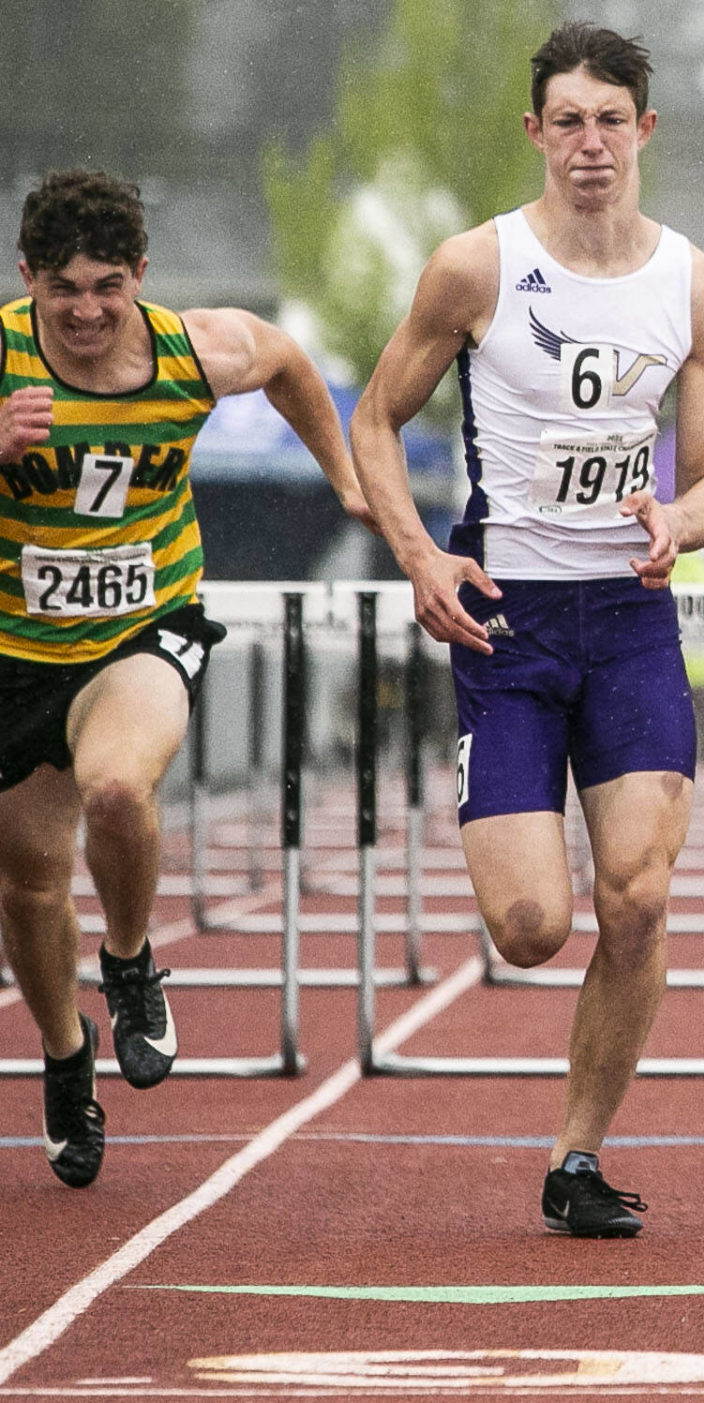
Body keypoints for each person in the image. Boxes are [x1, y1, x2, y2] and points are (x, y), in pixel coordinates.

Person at [350, 22, 704, 1239]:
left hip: (628, 618)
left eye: (609, 121)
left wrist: (676, 515)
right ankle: (569, 1109)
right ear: (536, 132)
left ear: (644, 131)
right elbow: (372, 422)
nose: (588, 145)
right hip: (505, 622)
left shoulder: (698, 286)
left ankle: (578, 1152)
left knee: (637, 895)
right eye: (566, 121)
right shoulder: (475, 266)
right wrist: (421, 555)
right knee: (531, 928)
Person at [0, 169, 370, 1188]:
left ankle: (129, 961)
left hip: (145, 620)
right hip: (16, 649)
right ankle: (67, 1056)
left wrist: (344, 480)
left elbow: (292, 361)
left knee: (119, 786)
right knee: (29, 880)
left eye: (107, 286)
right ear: (26, 276)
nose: (84, 311)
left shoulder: (194, 349)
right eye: (63, 288)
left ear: (141, 278)